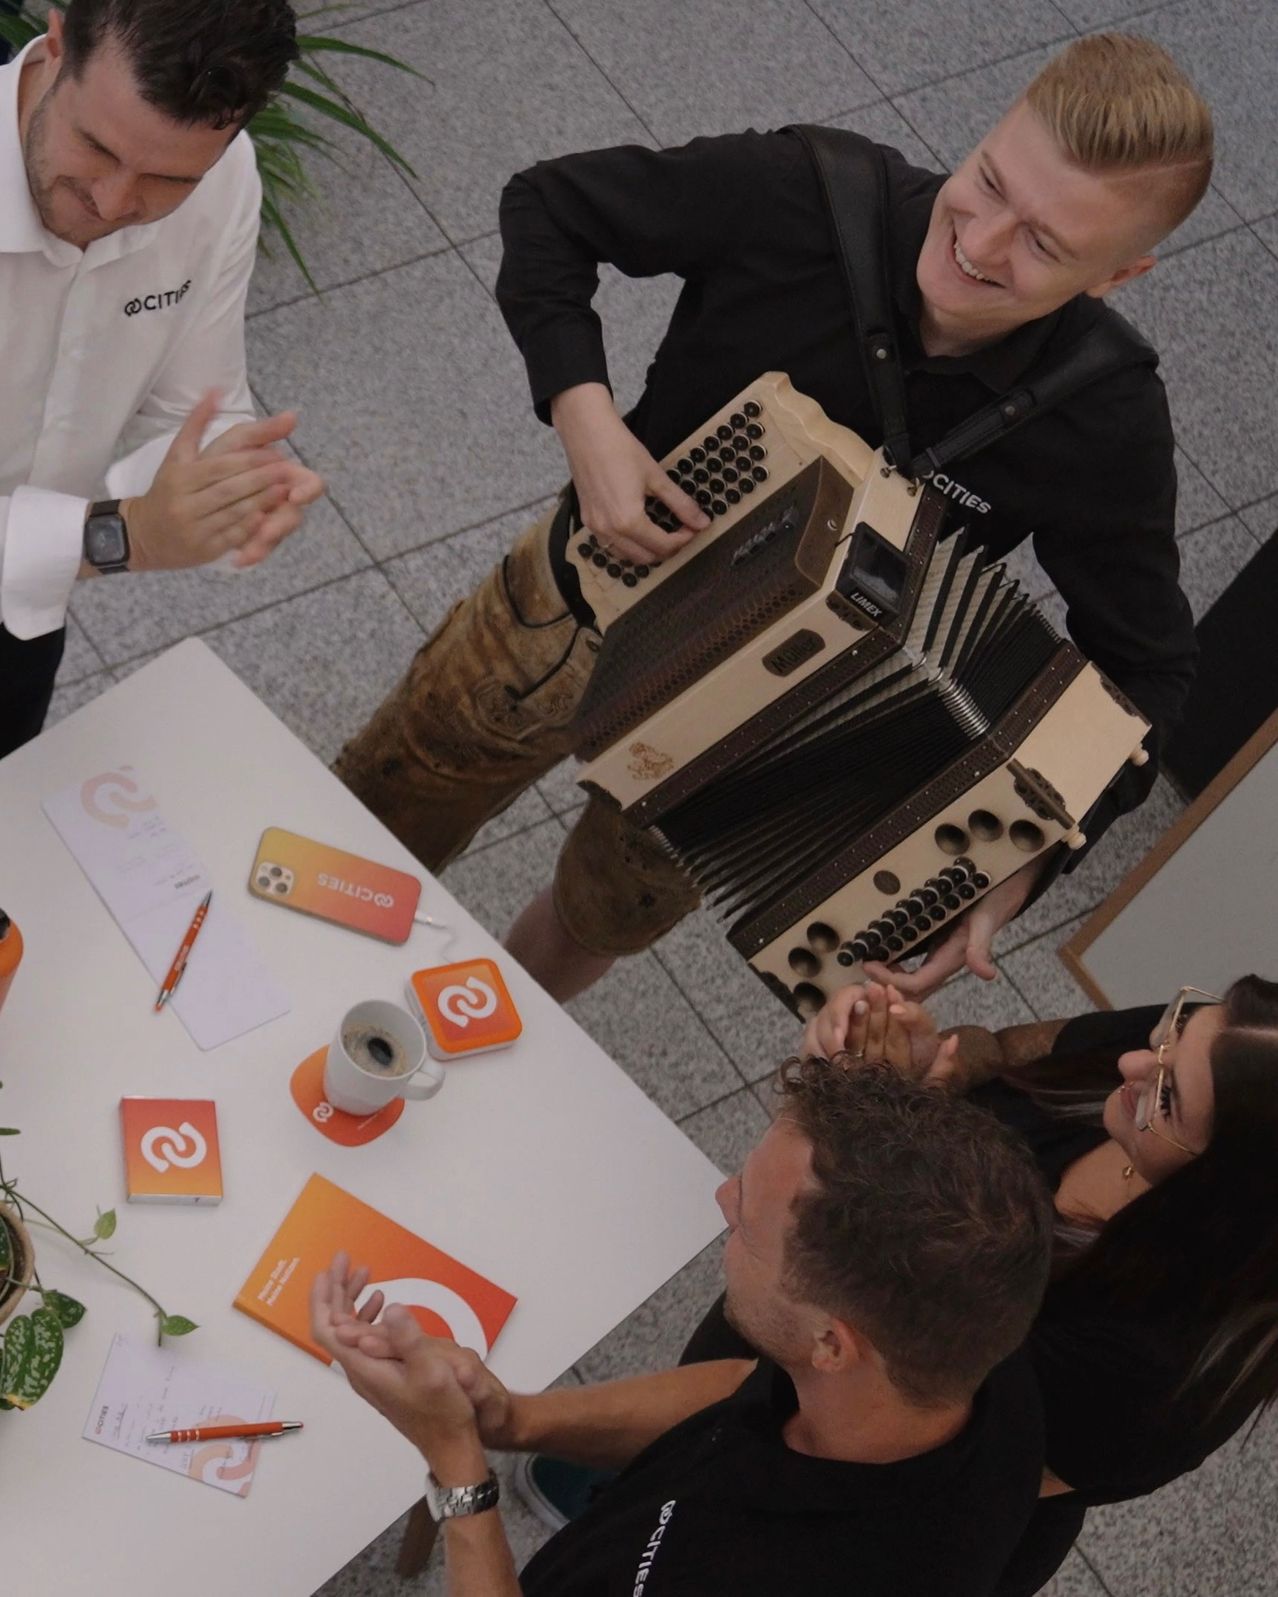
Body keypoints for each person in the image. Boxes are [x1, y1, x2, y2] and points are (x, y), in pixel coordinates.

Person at [335, 33, 1209, 1007]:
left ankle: (486, 1019)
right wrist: (587, 420)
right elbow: (547, 209)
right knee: (385, 803)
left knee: (600, 915)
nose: (981, 242)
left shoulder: (1104, 415)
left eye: (1045, 243)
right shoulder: (805, 193)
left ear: (1116, 278)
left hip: (763, 740)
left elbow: (1148, 676)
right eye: (990, 181)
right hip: (578, 608)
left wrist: (1018, 864)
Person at [311, 1063, 1055, 1596]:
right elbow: (743, 1392)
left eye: (749, 1224)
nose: (723, 1199)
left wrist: (460, 1475)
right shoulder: (966, 1357)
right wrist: (513, 1418)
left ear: (833, 1340)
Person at [669, 975, 1278, 1595]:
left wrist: (864, 1129)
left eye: (1167, 1099)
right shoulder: (1207, 1056)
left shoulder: (1147, 1379)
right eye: (1174, 1023)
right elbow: (1005, 1051)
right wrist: (924, 1065)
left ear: (1218, 1197)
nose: (1133, 1061)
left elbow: (886, 1425)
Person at [0, 0, 324, 757]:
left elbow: (185, 409)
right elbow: (126, 533)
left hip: (26, 615)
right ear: (53, 46)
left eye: (166, 178)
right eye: (95, 146)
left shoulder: (225, 179)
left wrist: (223, 484)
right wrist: (124, 535)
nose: (113, 204)